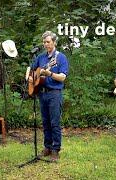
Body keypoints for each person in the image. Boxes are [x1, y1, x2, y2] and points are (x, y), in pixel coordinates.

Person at [30, 31, 69, 162]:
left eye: (48, 42)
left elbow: (62, 77)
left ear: (54, 42)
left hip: (54, 93)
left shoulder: (60, 58)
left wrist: (49, 73)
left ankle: (55, 150)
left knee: (54, 122)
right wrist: (30, 78)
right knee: (45, 122)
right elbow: (30, 70)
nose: (46, 44)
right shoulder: (40, 57)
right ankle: (47, 147)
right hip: (42, 93)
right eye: (44, 42)